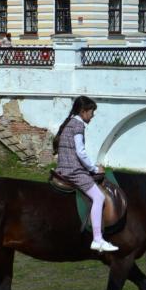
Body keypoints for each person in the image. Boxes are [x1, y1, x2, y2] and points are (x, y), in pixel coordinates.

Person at [53, 95, 119, 254]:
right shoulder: (78, 125)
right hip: (73, 170)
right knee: (99, 197)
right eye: (91, 112)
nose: (93, 115)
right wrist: (95, 169)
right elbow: (81, 153)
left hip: (63, 167)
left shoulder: (69, 123)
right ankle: (97, 239)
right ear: (83, 111)